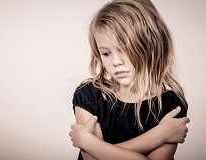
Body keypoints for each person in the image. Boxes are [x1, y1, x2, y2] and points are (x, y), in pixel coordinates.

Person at [69, 0, 190, 160]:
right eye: (106, 53)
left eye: (125, 49)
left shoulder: (170, 105)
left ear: (149, 44)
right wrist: (160, 134)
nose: (116, 62)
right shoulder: (89, 95)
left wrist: (88, 142)